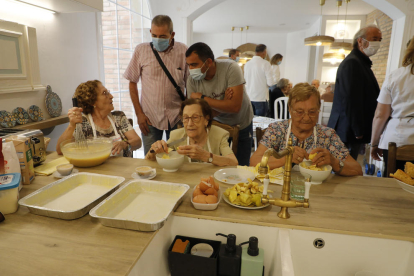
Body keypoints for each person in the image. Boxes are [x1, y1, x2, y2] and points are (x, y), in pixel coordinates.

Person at [250, 83, 362, 176]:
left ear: (319, 109)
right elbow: (254, 162)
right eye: (300, 112)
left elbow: (357, 170)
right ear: (290, 109)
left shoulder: (327, 135)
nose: (307, 118)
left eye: (312, 112)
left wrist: (334, 162)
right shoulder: (277, 130)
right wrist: (284, 159)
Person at [123, 15, 188, 155]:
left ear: (172, 34)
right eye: (154, 35)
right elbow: (132, 82)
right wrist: (139, 114)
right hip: (149, 118)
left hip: (177, 117)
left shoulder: (183, 51)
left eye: (163, 36)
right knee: (151, 159)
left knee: (179, 157)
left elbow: (192, 85)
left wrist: (187, 114)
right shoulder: (141, 50)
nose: (158, 39)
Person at [185, 42, 254, 166]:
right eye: (188, 65)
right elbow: (197, 114)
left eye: (194, 65)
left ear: (209, 62)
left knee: (241, 167)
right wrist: (225, 103)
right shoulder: (192, 81)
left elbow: (235, 107)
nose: (191, 69)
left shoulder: (231, 69)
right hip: (216, 126)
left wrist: (202, 97)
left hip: (242, 124)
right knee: (217, 165)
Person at [328, 24, 382, 160]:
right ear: (360, 41)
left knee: (347, 168)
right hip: (348, 131)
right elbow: (351, 100)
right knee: (344, 169)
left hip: (351, 130)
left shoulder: (360, 62)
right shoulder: (352, 63)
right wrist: (358, 129)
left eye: (380, 40)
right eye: (375, 38)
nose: (378, 43)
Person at [56, 80, 142, 157]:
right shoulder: (82, 122)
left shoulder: (118, 117)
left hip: (123, 168)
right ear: (93, 101)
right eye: (105, 93)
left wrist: (125, 144)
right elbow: (60, 151)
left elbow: (137, 142)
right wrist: (71, 125)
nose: (111, 96)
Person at [146, 99, 238, 166]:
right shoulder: (177, 136)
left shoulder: (219, 135)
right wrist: (154, 150)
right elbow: (148, 161)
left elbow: (234, 162)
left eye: (195, 117)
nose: (189, 124)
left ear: (206, 120)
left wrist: (206, 156)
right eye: (186, 118)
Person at [370, 38, 414, 175]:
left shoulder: (396, 76)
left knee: (394, 185)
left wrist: (374, 143)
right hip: (398, 137)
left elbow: (380, 115)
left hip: (398, 137)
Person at [243, 44, 276, 116]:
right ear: (264, 52)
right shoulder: (266, 64)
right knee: (261, 123)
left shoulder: (247, 64)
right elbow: (270, 83)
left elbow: (245, 81)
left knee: (251, 121)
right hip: (261, 98)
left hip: (249, 97)